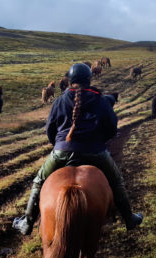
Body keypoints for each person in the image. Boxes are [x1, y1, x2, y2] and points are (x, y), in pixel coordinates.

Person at [13, 63, 143, 235]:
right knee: (117, 181)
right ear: (88, 79)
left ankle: (27, 223)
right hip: (96, 151)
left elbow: (50, 129)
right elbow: (112, 127)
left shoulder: (59, 101)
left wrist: (60, 145)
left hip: (62, 151)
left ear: (70, 80)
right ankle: (129, 218)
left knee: (38, 181)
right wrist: (99, 141)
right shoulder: (100, 100)